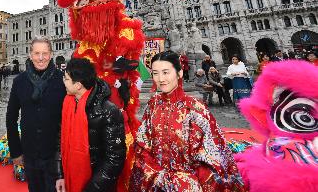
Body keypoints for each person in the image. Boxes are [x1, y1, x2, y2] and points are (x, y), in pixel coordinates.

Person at [129, 51, 244, 191]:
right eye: (155, 73)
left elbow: (213, 155)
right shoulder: (152, 105)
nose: (160, 79)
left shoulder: (196, 108)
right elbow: (142, 144)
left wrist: (185, 182)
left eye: (166, 72)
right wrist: (155, 175)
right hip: (155, 182)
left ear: (179, 73)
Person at [56, 58, 126, 192]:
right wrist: (60, 175)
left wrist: (92, 188)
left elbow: (114, 159)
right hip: (70, 180)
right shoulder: (68, 104)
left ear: (78, 85)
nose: (63, 82)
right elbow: (60, 141)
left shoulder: (108, 111)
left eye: (66, 79)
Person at [6, 36, 66, 192]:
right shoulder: (20, 81)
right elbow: (11, 117)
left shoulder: (62, 80)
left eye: (45, 53)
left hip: (56, 155)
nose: (41, 58)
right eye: (37, 53)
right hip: (29, 152)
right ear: (30, 55)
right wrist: (16, 151)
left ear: (51, 54)